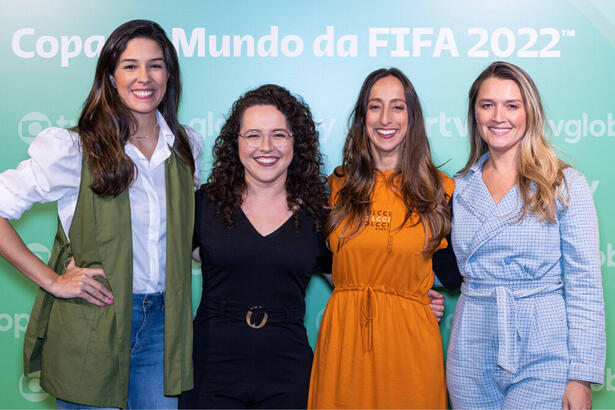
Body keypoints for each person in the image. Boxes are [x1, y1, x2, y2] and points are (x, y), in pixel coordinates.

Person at [0, 20, 202, 409]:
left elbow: (181, 236)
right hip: (92, 324)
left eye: (156, 65)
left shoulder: (185, 146)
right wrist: (54, 281)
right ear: (110, 76)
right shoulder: (73, 149)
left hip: (163, 326)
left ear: (169, 74)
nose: (144, 77)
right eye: (130, 66)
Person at [446, 61, 605, 409]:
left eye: (511, 105)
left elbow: (585, 284)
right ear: (475, 114)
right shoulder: (456, 188)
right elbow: (433, 262)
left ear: (529, 113)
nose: (498, 116)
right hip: (471, 343)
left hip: (544, 345)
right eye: (487, 105)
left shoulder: (565, 184)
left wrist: (580, 376)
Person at [308, 68, 455, 409]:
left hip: (410, 347)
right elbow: (322, 261)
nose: (385, 118)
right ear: (362, 117)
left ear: (412, 117)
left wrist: (413, 295)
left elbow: (456, 273)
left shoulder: (441, 190)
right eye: (375, 106)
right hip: (344, 341)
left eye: (397, 107)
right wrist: (366, 286)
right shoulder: (336, 187)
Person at [179, 84, 330, 409]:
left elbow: (355, 283)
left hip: (288, 372)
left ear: (296, 143)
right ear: (236, 143)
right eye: (253, 135)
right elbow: (153, 260)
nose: (266, 146)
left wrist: (413, 297)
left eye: (279, 134)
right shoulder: (203, 205)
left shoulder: (319, 214)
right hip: (210, 368)